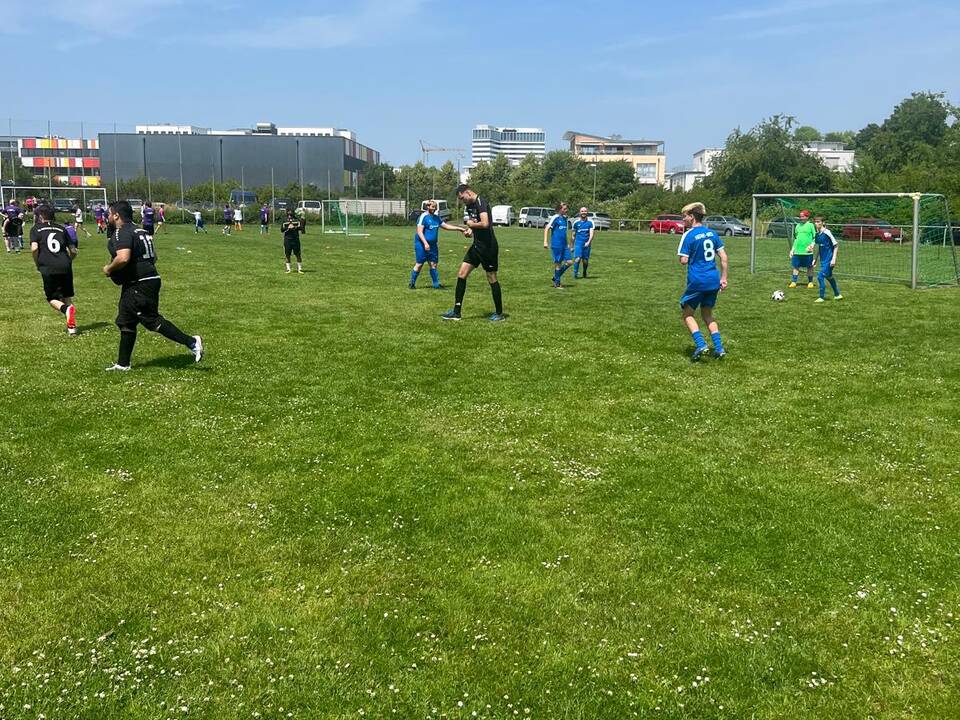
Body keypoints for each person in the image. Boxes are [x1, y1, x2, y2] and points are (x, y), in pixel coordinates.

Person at [102, 200, 203, 371]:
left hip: (141, 283)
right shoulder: (140, 230)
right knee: (126, 321)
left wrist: (108, 269)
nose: (108, 217)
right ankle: (123, 363)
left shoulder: (122, 232)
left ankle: (192, 342)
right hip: (144, 279)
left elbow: (123, 257)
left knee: (151, 320)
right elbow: (154, 257)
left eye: (109, 214)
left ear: (116, 215)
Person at [440, 184, 505, 321]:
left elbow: (485, 223)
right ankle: (456, 312)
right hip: (477, 246)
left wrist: (471, 225)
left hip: (488, 247)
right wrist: (470, 230)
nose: (463, 201)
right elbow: (476, 223)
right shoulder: (469, 206)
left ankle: (499, 313)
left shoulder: (481, 202)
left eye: (462, 198)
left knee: (491, 277)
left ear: (468, 193)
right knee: (462, 274)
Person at [677, 201, 728, 361]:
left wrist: (688, 256)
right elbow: (724, 257)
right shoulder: (712, 233)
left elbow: (684, 260)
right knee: (707, 314)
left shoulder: (688, 235)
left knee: (687, 314)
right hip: (713, 279)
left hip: (698, 280)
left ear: (692, 217)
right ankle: (719, 349)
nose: (683, 219)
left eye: (684, 216)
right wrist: (724, 278)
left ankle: (701, 344)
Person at [29, 204, 78, 335]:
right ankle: (72, 328)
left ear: (40, 216)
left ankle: (65, 310)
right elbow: (73, 251)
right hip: (65, 265)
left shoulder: (36, 229)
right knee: (67, 295)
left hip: (48, 266)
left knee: (52, 298)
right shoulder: (62, 229)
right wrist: (67, 261)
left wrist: (37, 263)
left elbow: (34, 248)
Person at [410, 199, 467, 289]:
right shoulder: (423, 217)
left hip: (433, 245)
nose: (434, 209)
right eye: (433, 207)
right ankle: (412, 284)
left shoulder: (436, 217)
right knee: (419, 264)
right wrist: (425, 243)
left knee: (433, 264)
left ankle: (436, 285)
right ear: (428, 207)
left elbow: (446, 226)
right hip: (421, 244)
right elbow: (419, 231)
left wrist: (459, 229)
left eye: (435, 207)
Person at [813, 216, 843, 302]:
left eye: (818, 222)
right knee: (829, 276)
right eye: (815, 222)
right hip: (823, 260)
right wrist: (815, 259)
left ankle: (821, 297)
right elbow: (820, 247)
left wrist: (834, 259)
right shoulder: (817, 234)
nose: (816, 224)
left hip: (829, 259)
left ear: (823, 223)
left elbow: (836, 245)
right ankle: (837, 294)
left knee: (820, 276)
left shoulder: (827, 232)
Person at [544, 202, 573, 288]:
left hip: (564, 245)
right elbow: (546, 228)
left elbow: (563, 233)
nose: (566, 210)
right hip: (557, 245)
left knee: (569, 262)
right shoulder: (555, 218)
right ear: (560, 209)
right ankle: (557, 283)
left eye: (566, 208)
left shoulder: (565, 219)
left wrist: (567, 244)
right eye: (564, 209)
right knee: (558, 264)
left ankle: (556, 277)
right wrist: (545, 241)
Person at [789, 209, 816, 288]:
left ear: (807, 217)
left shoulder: (811, 225)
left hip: (808, 252)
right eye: (800, 216)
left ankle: (810, 282)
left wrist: (812, 245)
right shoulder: (797, 226)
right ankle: (794, 282)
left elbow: (815, 237)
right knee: (796, 266)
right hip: (797, 251)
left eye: (803, 216)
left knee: (810, 267)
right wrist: (792, 250)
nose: (801, 218)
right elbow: (796, 239)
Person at [572, 207, 595, 279]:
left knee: (585, 261)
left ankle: (584, 271)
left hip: (586, 243)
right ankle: (575, 273)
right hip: (578, 243)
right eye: (582, 211)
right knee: (577, 259)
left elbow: (591, 234)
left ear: (587, 212)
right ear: (580, 212)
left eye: (585, 211)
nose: (583, 213)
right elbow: (573, 235)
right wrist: (571, 246)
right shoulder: (576, 223)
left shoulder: (590, 222)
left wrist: (588, 242)